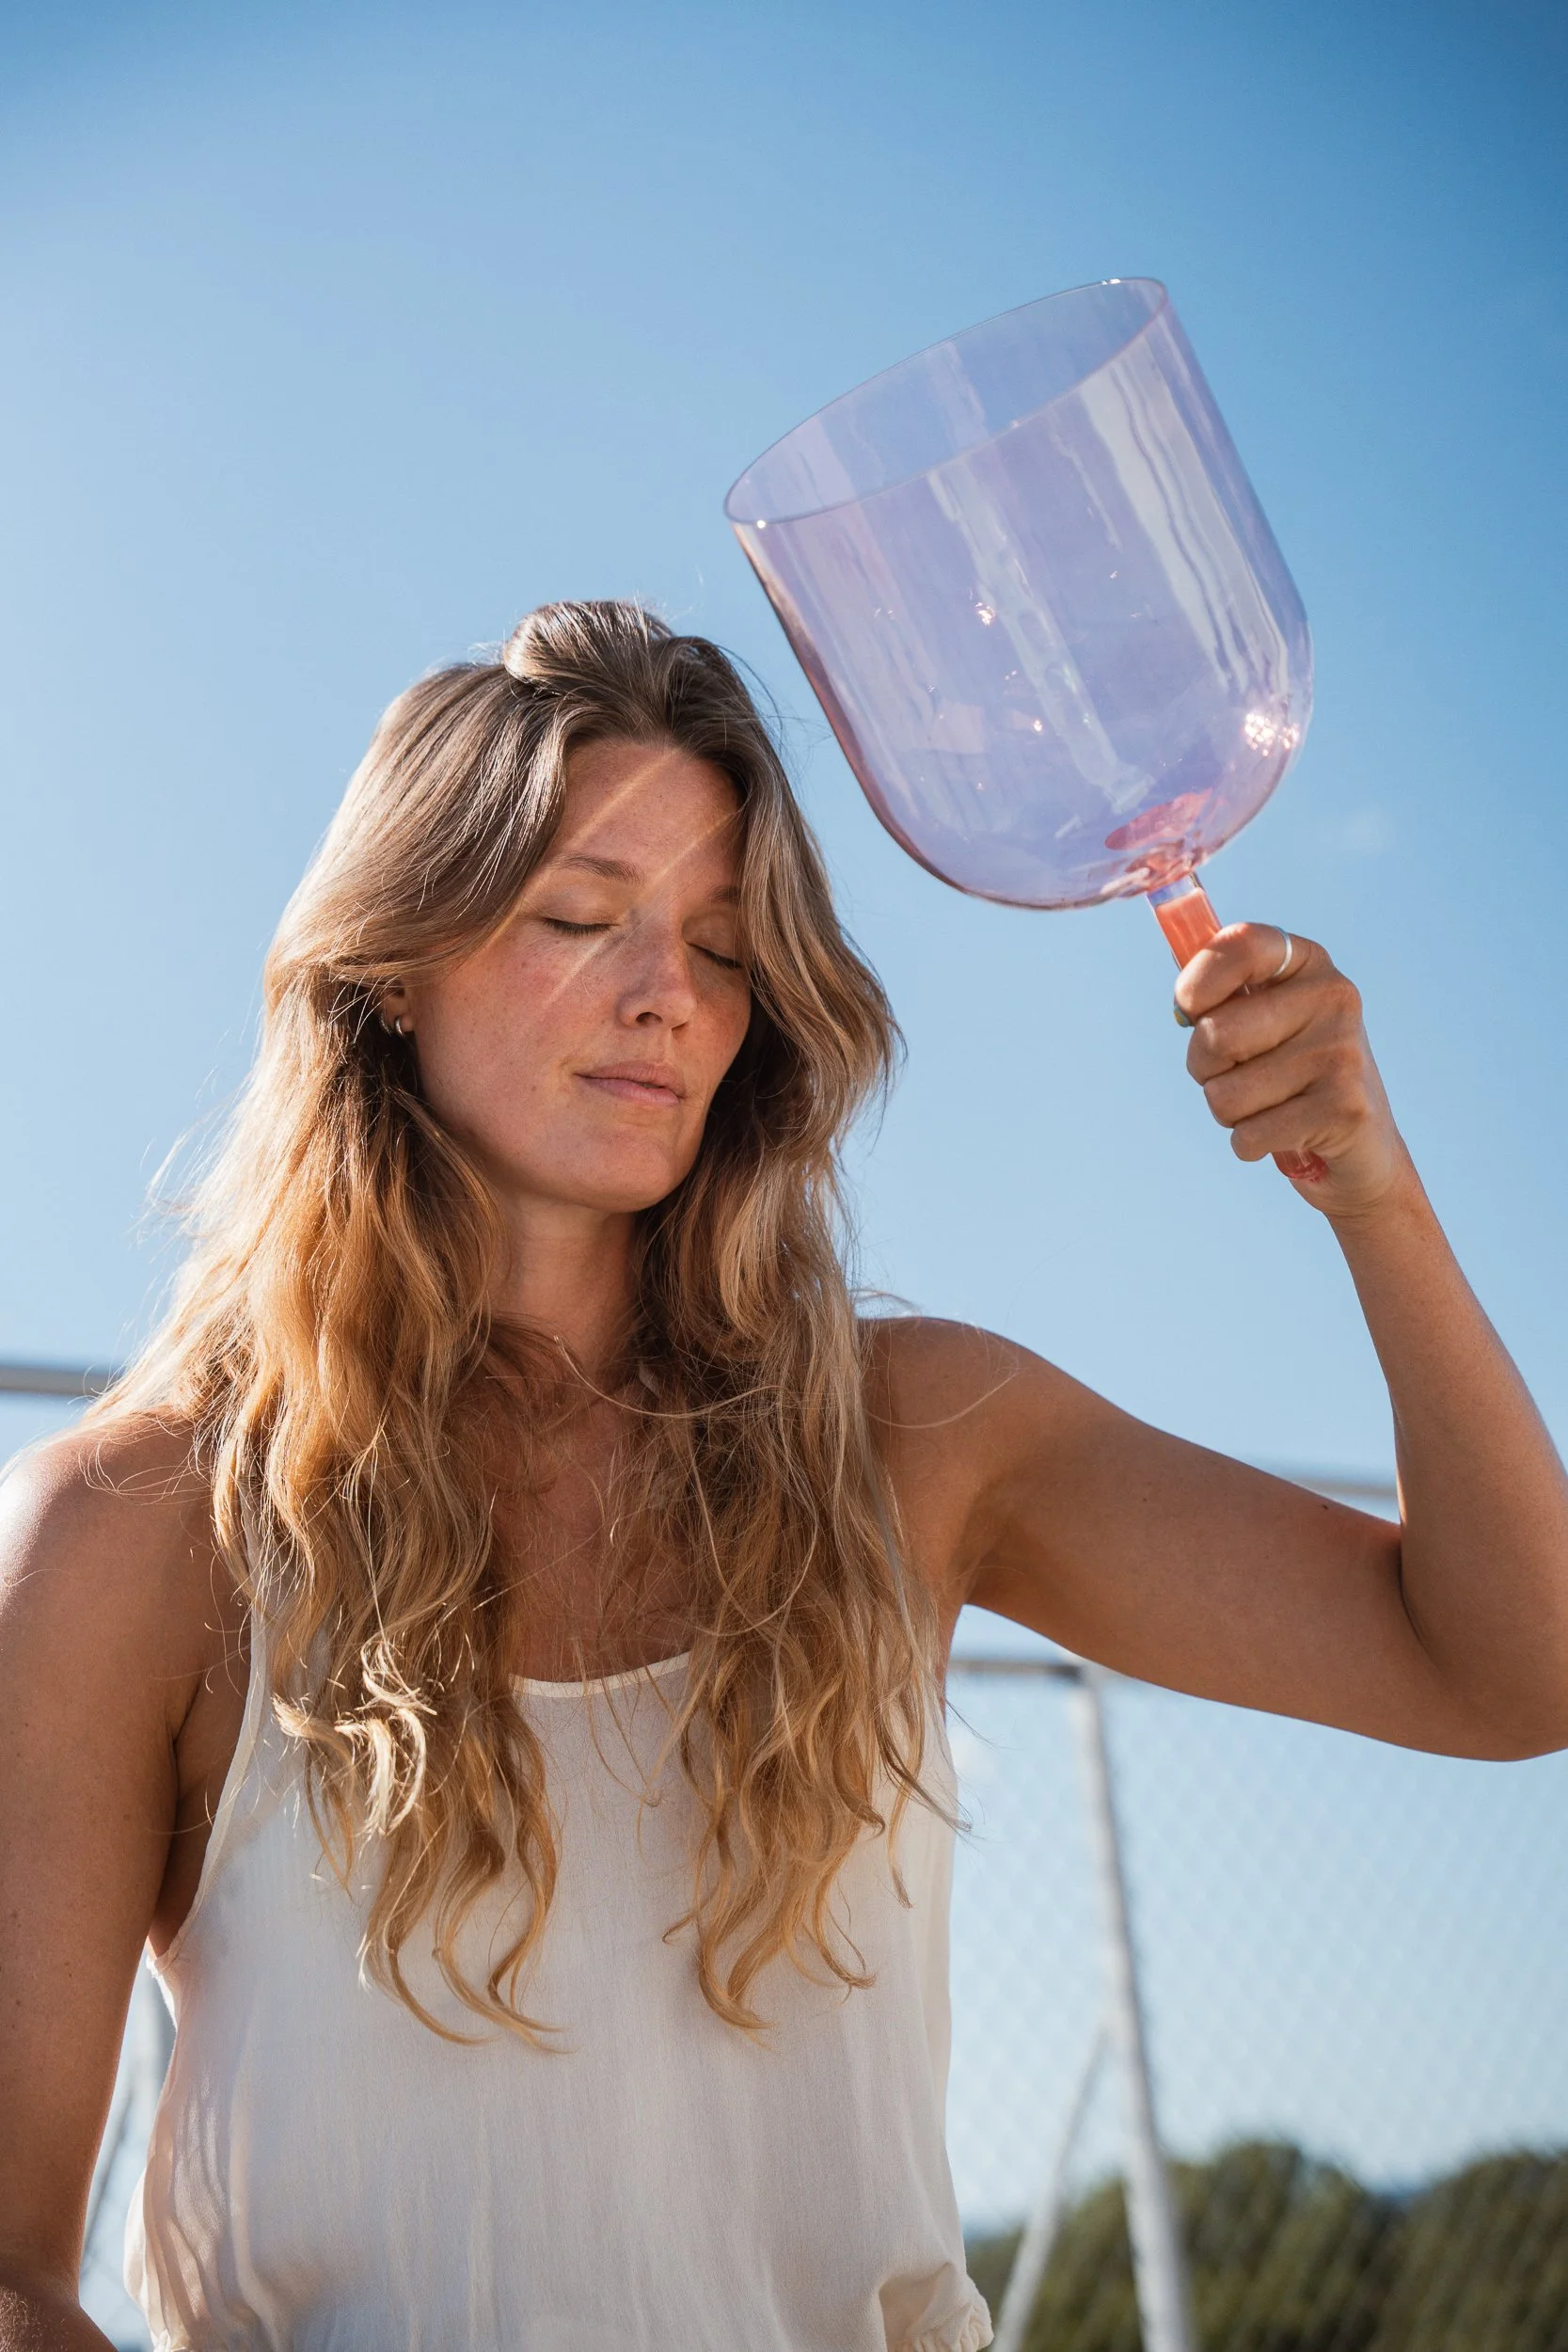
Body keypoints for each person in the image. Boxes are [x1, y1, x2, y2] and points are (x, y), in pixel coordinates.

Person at [2, 600, 1565, 2352]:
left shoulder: (919, 1439)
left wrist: (1374, 1191)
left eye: (726, 945)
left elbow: (1509, 1670)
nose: (665, 993)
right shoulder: (139, 1538)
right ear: (389, 966)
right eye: (578, 917)